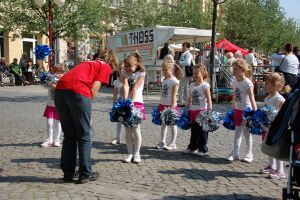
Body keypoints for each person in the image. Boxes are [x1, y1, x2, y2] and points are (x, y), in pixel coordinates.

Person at [54, 50, 117, 184]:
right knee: (84, 135)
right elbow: (93, 90)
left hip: (60, 91)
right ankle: (85, 173)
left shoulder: (87, 63)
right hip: (78, 92)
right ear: (111, 63)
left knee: (69, 136)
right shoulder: (104, 66)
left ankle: (68, 173)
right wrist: (88, 115)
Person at [260, 72, 290, 179]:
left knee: (276, 149)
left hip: (275, 128)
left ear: (275, 85)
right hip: (267, 127)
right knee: (269, 147)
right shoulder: (268, 97)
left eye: (267, 84)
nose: (265, 85)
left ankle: (280, 170)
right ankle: (272, 165)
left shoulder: (279, 98)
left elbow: (284, 113)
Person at [227, 59, 257, 163]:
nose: (233, 71)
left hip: (246, 111)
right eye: (233, 69)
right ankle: (235, 152)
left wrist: (255, 113)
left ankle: (249, 153)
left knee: (247, 133)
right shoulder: (235, 82)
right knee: (237, 132)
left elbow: (252, 98)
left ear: (242, 70)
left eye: (236, 69)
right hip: (237, 110)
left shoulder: (247, 83)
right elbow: (234, 96)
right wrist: (233, 108)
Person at [182, 63, 212, 156]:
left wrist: (209, 110)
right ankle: (192, 147)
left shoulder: (205, 85)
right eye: (193, 73)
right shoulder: (191, 85)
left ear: (203, 73)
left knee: (202, 131)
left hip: (202, 111)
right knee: (194, 130)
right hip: (193, 111)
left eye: (197, 73)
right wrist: (187, 107)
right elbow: (189, 98)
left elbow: (209, 99)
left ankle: (203, 149)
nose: (194, 75)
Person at [122, 53, 146, 163]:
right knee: (127, 131)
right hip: (127, 103)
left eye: (130, 66)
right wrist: (126, 102)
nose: (128, 69)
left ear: (136, 65)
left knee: (136, 130)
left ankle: (137, 153)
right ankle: (129, 153)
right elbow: (126, 87)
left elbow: (135, 88)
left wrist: (131, 103)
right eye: (126, 66)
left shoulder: (141, 73)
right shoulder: (124, 73)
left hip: (137, 103)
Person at [156, 61, 182, 151]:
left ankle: (173, 143)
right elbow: (162, 93)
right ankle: (162, 141)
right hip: (163, 104)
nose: (164, 71)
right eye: (163, 70)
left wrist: (173, 107)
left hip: (171, 105)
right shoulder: (165, 80)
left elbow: (174, 95)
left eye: (166, 70)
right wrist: (160, 103)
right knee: (163, 124)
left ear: (171, 69)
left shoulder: (174, 81)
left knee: (172, 124)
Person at [41, 65, 65, 147]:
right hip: (50, 105)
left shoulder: (64, 81)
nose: (59, 74)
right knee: (49, 123)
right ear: (54, 72)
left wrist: (55, 85)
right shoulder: (51, 79)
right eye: (57, 72)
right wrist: (47, 80)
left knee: (58, 123)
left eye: (61, 73)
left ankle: (57, 139)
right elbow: (45, 84)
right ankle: (49, 139)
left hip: (59, 105)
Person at [111, 63, 125, 145]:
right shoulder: (116, 82)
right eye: (120, 69)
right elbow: (115, 94)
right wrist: (114, 105)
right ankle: (118, 138)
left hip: (129, 101)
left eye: (123, 68)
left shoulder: (130, 79)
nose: (121, 70)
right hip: (120, 102)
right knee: (119, 120)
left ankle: (130, 138)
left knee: (128, 121)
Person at [178, 42, 193, 106]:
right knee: (185, 88)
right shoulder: (184, 54)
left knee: (181, 87)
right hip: (183, 72)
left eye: (184, 46)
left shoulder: (188, 54)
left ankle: (182, 102)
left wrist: (179, 62)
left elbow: (188, 63)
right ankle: (186, 101)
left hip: (185, 73)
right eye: (182, 46)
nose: (182, 48)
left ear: (187, 47)